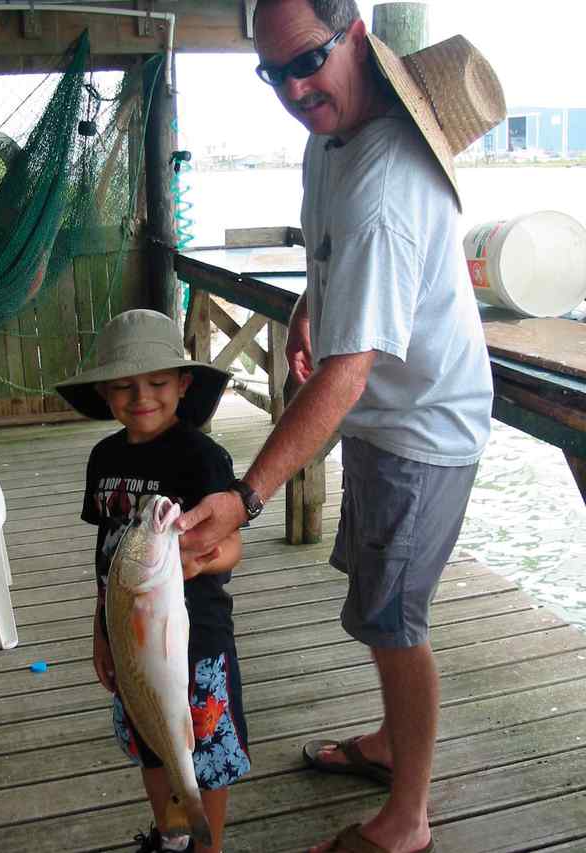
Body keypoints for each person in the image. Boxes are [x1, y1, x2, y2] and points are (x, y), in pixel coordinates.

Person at [177, 2, 506, 852]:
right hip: (384, 420)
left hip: (422, 430)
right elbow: (330, 258)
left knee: (398, 623)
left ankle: (408, 818)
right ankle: (393, 744)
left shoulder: (387, 187)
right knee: (374, 606)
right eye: (274, 72)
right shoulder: (331, 131)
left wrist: (246, 496)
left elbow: (346, 374)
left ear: (357, 34)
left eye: (309, 61)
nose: (294, 87)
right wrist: (303, 306)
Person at [56, 309, 250, 853]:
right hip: (127, 638)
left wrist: (202, 562)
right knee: (150, 743)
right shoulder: (104, 458)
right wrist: (102, 632)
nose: (141, 397)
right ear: (105, 393)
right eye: (123, 387)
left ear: (184, 384)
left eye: (158, 383)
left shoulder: (203, 457)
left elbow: (232, 544)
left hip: (197, 641)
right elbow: (106, 558)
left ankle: (205, 843)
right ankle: (170, 837)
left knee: (202, 755)